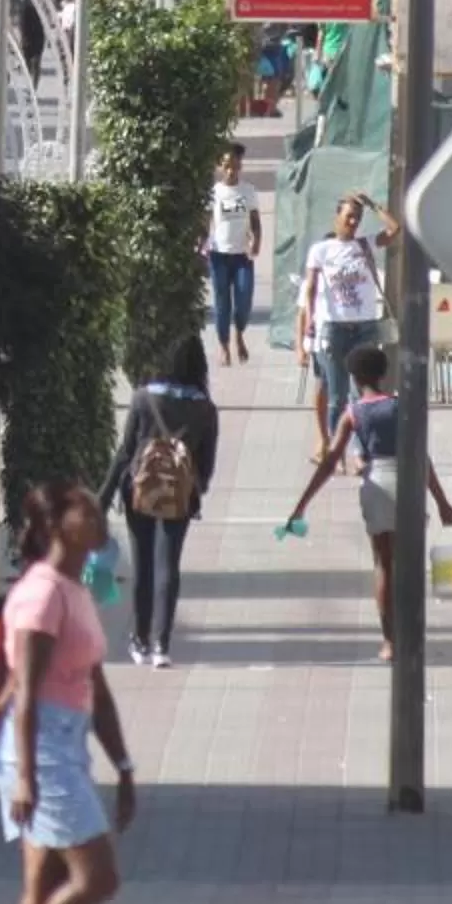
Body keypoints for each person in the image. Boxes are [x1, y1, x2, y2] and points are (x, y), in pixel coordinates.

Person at [0, 481, 135, 904]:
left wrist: (124, 765)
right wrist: (27, 776)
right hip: (39, 747)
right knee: (99, 877)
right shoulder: (41, 594)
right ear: (54, 527)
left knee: (44, 886)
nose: (98, 518)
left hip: (64, 742)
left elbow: (96, 682)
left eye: (97, 510)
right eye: (85, 512)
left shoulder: (75, 589)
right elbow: (25, 691)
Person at [282, 341, 452, 659]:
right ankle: (412, 635)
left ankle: (390, 641)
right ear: (384, 374)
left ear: (353, 377)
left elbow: (329, 461)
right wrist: (442, 502)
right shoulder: (402, 407)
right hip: (408, 483)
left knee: (383, 565)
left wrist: (301, 505)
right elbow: (422, 457)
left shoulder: (353, 413)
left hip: (377, 482)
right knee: (410, 564)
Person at [98, 337, 222, 668]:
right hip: (179, 494)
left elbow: (125, 451)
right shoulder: (205, 409)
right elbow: (206, 463)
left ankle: (139, 639)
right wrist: (196, 490)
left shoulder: (143, 398)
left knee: (143, 564)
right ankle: (161, 645)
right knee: (168, 566)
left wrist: (104, 497)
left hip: (139, 488)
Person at [296, 190, 398, 452]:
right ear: (337, 216)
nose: (353, 222)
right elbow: (311, 288)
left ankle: (361, 449)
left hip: (364, 327)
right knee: (337, 395)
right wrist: (309, 320)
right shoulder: (321, 250)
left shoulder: (364, 245)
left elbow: (395, 229)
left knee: (363, 392)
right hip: (334, 328)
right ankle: (335, 450)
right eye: (349, 216)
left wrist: (373, 205)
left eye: (357, 218)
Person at [204, 144, 263, 367]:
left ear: (240, 166)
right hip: (219, 254)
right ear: (220, 167)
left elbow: (256, 221)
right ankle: (224, 345)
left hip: (242, 256)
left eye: (235, 166)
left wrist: (256, 243)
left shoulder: (248, 191)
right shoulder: (214, 193)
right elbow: (205, 223)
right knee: (222, 303)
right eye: (227, 166)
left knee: (244, 299)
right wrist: (201, 245)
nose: (231, 171)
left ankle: (239, 332)